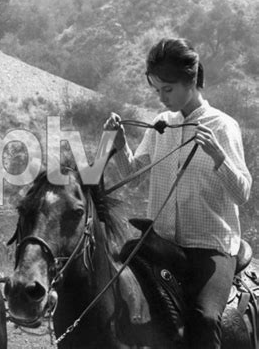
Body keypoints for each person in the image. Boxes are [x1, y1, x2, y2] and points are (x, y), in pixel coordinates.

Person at [104, 38, 252, 348]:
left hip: (210, 248)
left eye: (167, 90)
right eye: (157, 91)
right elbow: (132, 173)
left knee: (206, 317)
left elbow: (243, 193)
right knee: (112, 285)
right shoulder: (161, 124)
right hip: (162, 241)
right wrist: (119, 144)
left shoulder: (223, 127)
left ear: (190, 80)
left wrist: (218, 157)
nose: (161, 98)